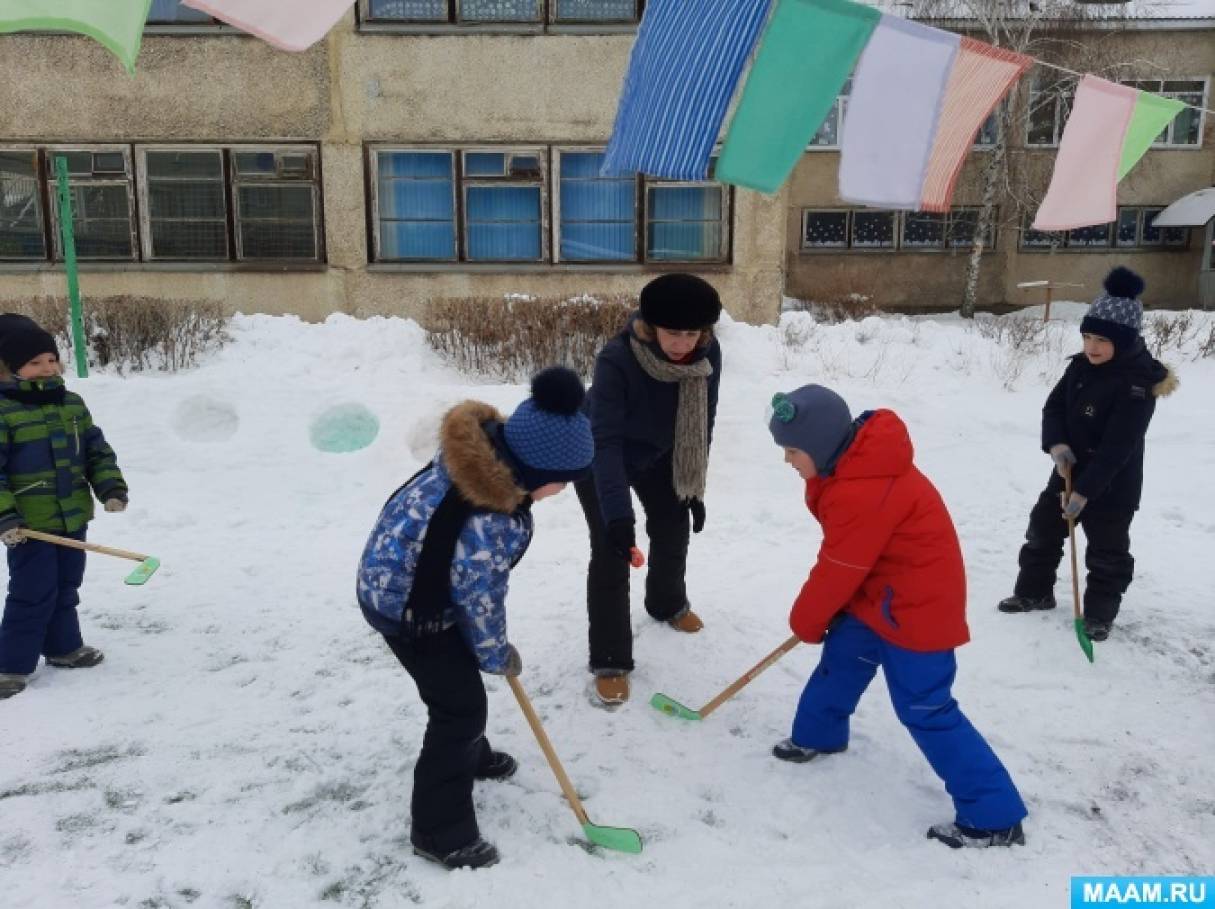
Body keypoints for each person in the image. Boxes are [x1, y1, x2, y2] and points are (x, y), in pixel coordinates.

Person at [767, 384, 1028, 849]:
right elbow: (851, 563)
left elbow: (838, 568)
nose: (787, 461)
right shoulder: (850, 468)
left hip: (917, 609)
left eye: (792, 450)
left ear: (823, 445)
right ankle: (819, 735)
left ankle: (994, 815)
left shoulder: (865, 489)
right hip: (880, 594)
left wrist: (806, 620)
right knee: (843, 659)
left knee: (926, 706)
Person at [357, 366, 593, 870]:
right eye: (560, 483)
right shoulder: (491, 517)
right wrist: (494, 652)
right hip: (410, 610)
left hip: (400, 584)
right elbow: (478, 594)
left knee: (458, 690)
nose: (563, 492)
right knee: (458, 709)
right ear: (532, 470)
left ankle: (473, 755)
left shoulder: (475, 461)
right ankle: (439, 832)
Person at [997, 267, 1177, 641]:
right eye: (1087, 337)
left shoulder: (1137, 386)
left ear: (1125, 341)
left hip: (1111, 484)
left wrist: (1083, 494)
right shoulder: (1080, 368)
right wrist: (1057, 445)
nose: (1092, 347)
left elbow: (1118, 448)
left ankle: (1098, 614)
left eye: (1102, 340)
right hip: (1068, 471)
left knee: (1107, 552)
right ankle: (1034, 591)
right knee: (1043, 530)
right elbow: (1054, 408)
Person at [575, 273, 723, 707]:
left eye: (692, 332)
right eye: (673, 332)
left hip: (661, 452)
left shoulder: (708, 355)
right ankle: (609, 658)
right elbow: (605, 442)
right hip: (602, 453)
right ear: (651, 326)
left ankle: (667, 603)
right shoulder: (618, 359)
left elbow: (704, 420)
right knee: (610, 549)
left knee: (674, 522)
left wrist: (694, 485)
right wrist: (618, 516)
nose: (682, 343)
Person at [0, 321, 128, 700]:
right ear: (8, 367)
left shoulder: (71, 404)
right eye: (36, 362)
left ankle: (63, 647)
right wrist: (6, 517)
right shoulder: (4, 411)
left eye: (52, 360)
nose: (48, 368)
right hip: (29, 525)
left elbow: (95, 451)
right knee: (32, 591)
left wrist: (110, 486)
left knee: (66, 586)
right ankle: (11, 663)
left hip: (72, 516)